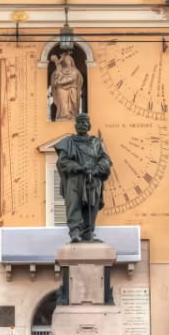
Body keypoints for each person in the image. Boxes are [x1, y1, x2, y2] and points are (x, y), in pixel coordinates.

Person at [54, 113, 112, 242]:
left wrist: (96, 169)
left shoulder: (96, 143)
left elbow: (105, 160)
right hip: (75, 179)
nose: (82, 125)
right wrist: (79, 167)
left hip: (93, 179)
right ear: (75, 126)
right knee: (74, 204)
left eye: (84, 123)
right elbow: (63, 162)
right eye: (79, 123)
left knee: (92, 206)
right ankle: (75, 232)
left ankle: (87, 232)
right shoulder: (68, 142)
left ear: (89, 126)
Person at [49, 50, 84, 120]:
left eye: (69, 60)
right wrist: (57, 82)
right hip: (61, 89)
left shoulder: (75, 71)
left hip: (72, 88)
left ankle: (73, 115)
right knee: (63, 103)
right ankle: (64, 116)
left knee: (74, 102)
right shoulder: (58, 71)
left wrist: (60, 82)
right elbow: (54, 82)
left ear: (72, 61)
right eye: (66, 60)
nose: (68, 61)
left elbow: (72, 79)